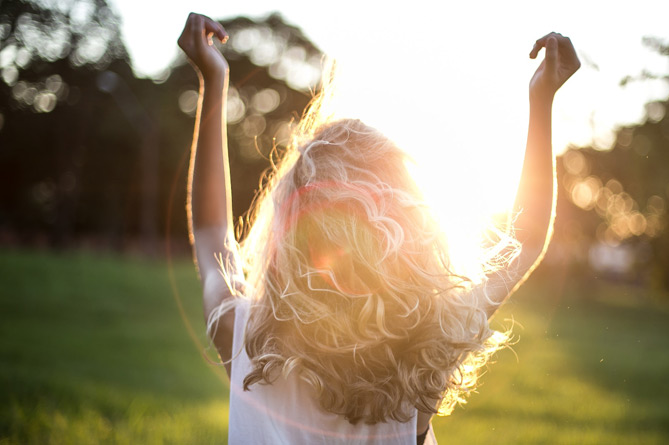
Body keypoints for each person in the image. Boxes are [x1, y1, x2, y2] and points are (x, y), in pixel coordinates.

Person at [178, 12, 579, 445]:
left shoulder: (242, 337)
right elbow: (525, 237)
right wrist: (542, 101)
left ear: (289, 239)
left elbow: (212, 231)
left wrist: (214, 82)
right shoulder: (426, 355)